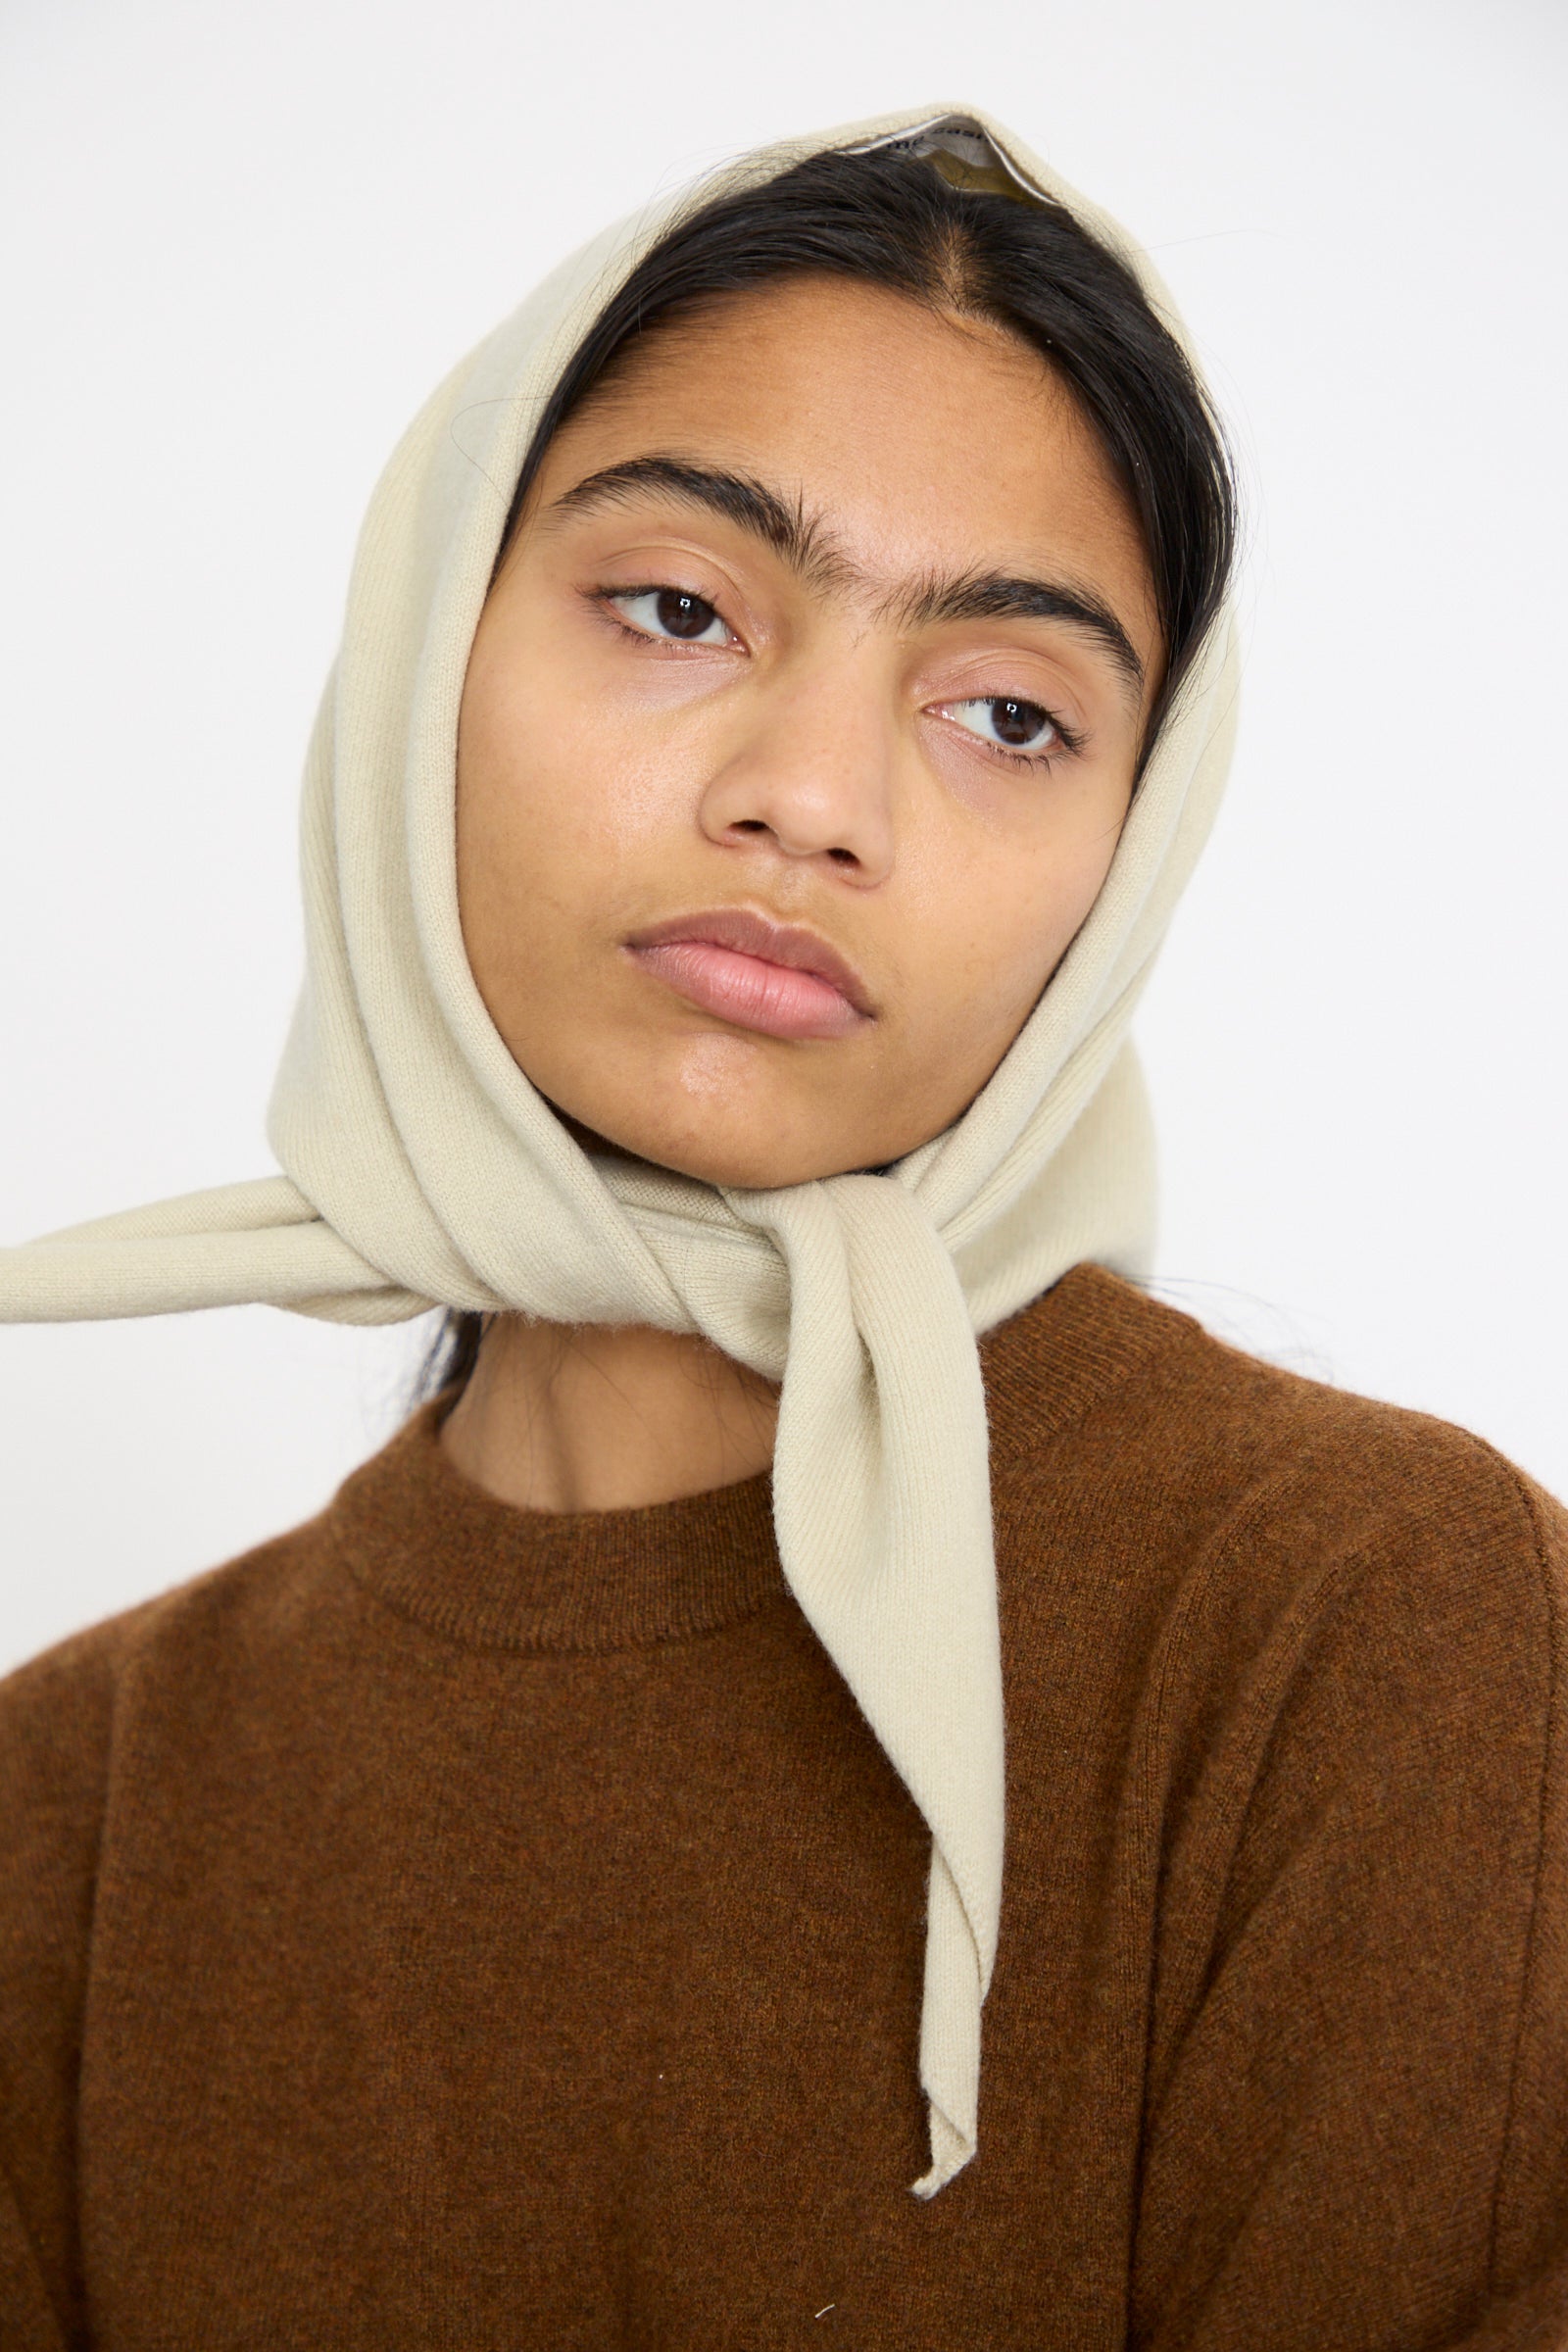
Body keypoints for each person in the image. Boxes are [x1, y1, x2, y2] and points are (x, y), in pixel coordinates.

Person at [1, 104, 1564, 2351]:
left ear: (1125, 861)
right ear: (423, 644)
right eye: (671, 606)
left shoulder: (1362, 1633)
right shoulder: (70, 1811)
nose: (809, 800)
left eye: (1008, 713)